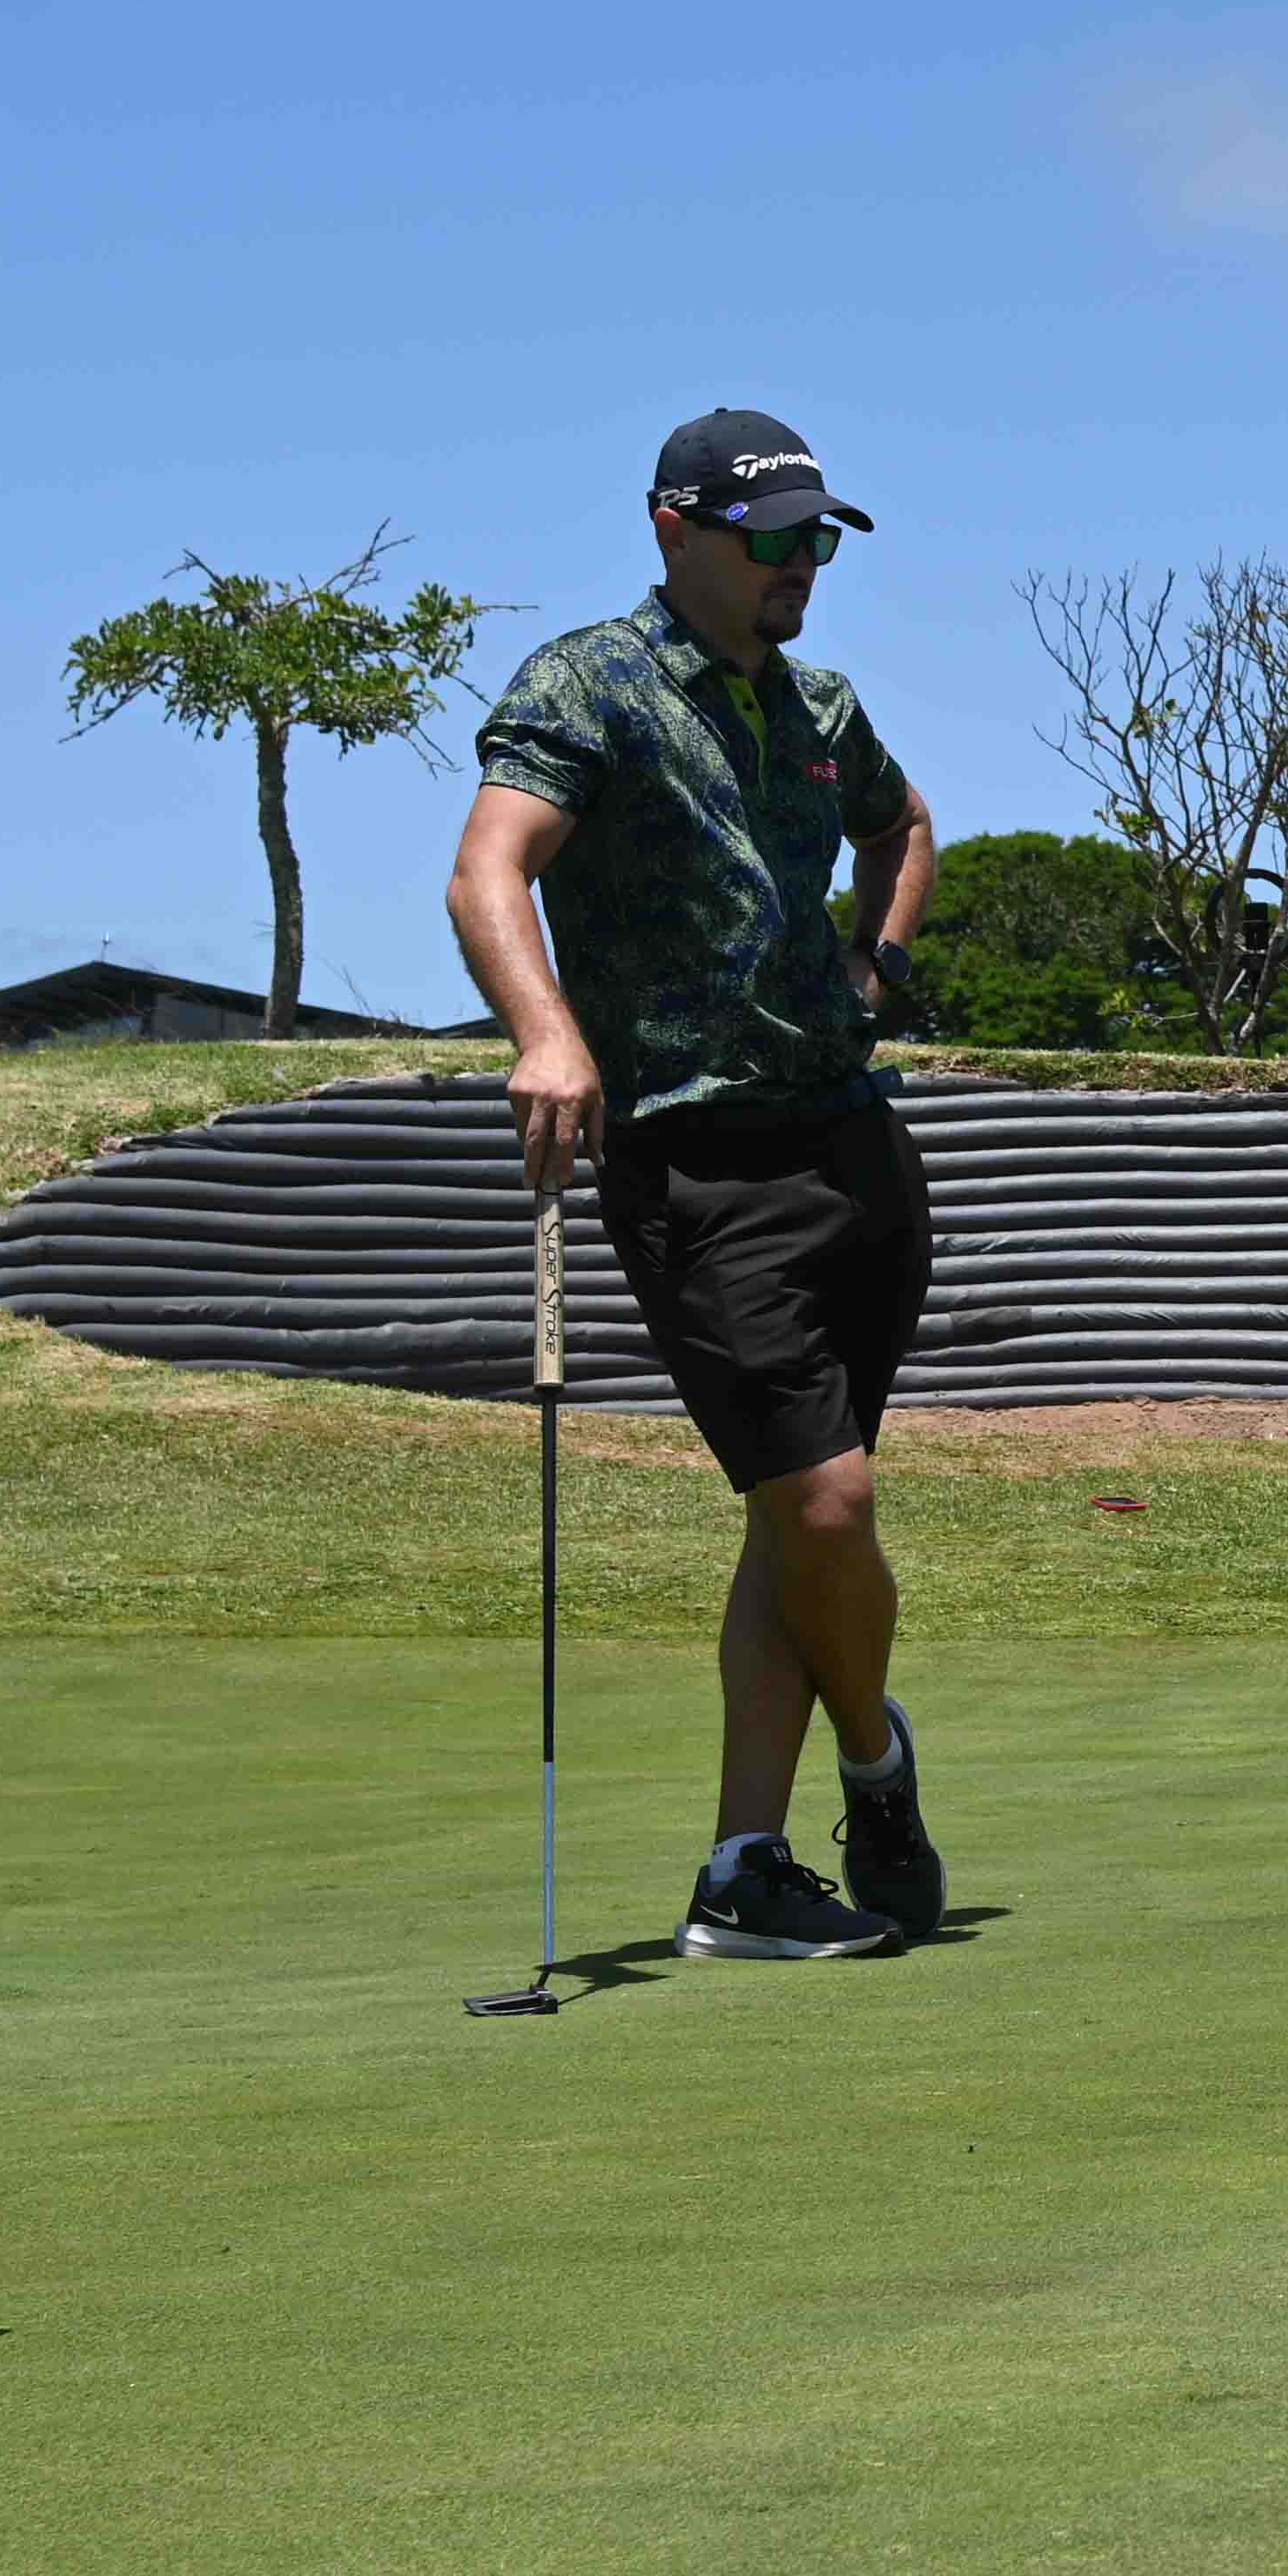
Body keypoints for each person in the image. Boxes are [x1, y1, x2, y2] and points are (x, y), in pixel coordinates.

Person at [442, 408, 951, 1965]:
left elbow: (904, 827)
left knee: (792, 1519)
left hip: (853, 1150)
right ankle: (874, 1760)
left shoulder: (821, 704)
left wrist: (877, 963)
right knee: (826, 1500)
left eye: (819, 540)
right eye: (774, 538)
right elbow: (488, 867)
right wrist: (547, 1037)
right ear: (676, 530)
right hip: (695, 1163)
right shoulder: (588, 683)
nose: (803, 565)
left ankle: (744, 1870)